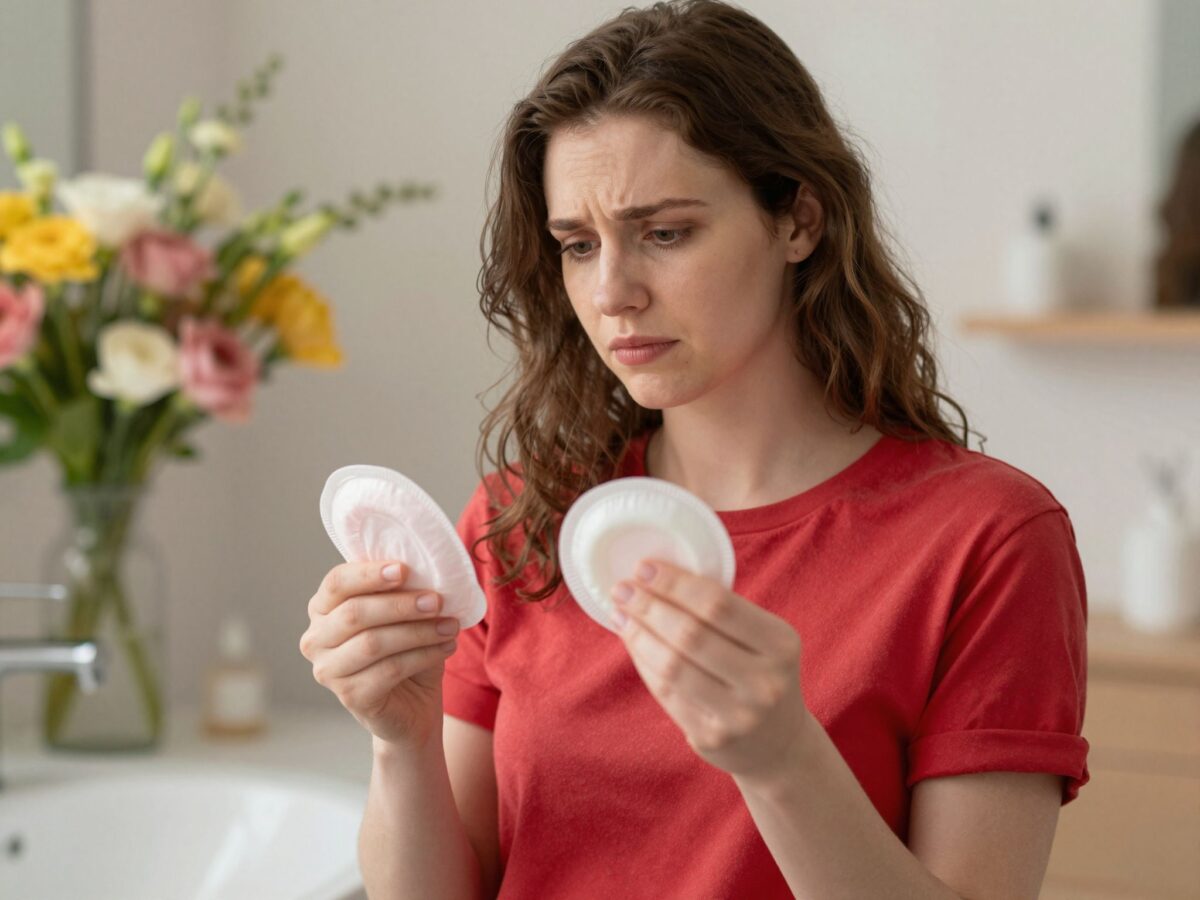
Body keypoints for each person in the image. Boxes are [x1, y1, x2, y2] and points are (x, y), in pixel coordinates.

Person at [299, 1, 1089, 897]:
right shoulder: (519, 519)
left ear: (799, 220)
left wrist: (783, 759)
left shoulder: (986, 539)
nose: (612, 293)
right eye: (577, 245)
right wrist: (400, 741)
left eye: (665, 233)